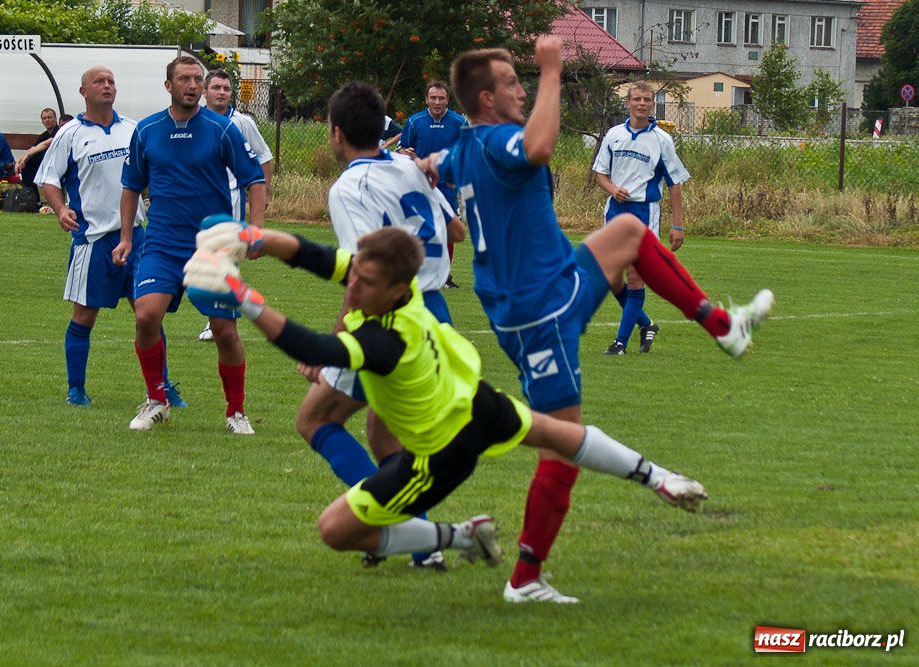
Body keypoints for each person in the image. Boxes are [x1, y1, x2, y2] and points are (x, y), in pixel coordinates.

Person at [415, 36, 773, 603]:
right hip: (538, 312)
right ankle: (526, 580)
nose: (522, 87)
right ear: (485, 98)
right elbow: (536, 146)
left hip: (546, 288)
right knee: (564, 442)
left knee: (630, 232)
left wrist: (424, 164)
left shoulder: (463, 146)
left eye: (524, 79)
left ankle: (724, 327)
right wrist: (553, 69)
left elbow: (437, 165)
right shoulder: (501, 138)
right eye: (511, 82)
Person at [183, 225, 711, 596]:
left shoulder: (386, 339)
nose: (351, 286)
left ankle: (459, 536)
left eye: (363, 284)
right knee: (555, 433)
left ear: (392, 290)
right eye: (354, 276)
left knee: (335, 531)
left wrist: (242, 295)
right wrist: (254, 239)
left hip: (442, 451)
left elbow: (316, 351)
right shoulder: (397, 284)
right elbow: (319, 257)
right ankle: (659, 478)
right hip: (474, 400)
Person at [294, 81, 465, 570]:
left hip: (393, 319)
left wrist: (331, 343)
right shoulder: (411, 168)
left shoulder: (350, 187)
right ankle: (424, 546)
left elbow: (364, 274)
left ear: (335, 133)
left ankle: (402, 530)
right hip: (436, 314)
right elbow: (455, 230)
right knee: (386, 438)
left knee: (315, 421)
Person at [113, 55, 265, 434]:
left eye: (198, 79)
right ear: (169, 86)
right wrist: (127, 238)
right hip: (162, 243)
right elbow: (131, 186)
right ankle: (157, 400)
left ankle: (236, 412)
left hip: (211, 246)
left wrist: (256, 229)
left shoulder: (222, 128)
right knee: (146, 316)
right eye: (185, 79)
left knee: (225, 331)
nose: (193, 85)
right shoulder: (147, 130)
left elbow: (255, 180)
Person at [35, 66, 185, 409]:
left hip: (138, 239)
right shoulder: (69, 133)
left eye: (111, 82)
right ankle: (76, 389)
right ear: (83, 91)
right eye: (99, 82)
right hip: (93, 240)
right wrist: (60, 209)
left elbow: (152, 174)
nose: (107, 86)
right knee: (84, 316)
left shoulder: (134, 129)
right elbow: (49, 178)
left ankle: (161, 387)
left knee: (148, 314)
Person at [593, 81, 689, 355]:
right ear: (628, 103)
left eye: (648, 99)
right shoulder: (613, 135)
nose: (642, 104)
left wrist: (677, 225)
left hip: (644, 214)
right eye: (637, 99)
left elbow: (675, 183)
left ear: (652, 104)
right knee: (610, 277)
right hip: (614, 212)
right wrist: (613, 189)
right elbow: (600, 173)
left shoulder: (662, 140)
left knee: (635, 277)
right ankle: (646, 324)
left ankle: (619, 343)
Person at [197, 69, 275, 343]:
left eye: (226, 88)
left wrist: (263, 194)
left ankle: (218, 319)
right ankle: (222, 313)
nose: (221, 93)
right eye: (216, 87)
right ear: (205, 92)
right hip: (196, 201)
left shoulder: (241, 123)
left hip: (230, 198)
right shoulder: (194, 122)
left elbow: (264, 157)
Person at [398, 81, 468, 288]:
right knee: (415, 227)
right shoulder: (414, 121)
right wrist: (403, 152)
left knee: (448, 228)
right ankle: (414, 271)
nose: (437, 102)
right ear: (426, 99)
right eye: (433, 98)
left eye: (441, 98)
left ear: (447, 100)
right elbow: (403, 149)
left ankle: (444, 276)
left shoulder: (458, 122)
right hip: (418, 184)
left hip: (446, 185)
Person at [15, 108, 59, 204]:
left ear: (56, 119)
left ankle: (36, 201)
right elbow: (33, 148)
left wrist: (26, 157)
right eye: (44, 118)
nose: (47, 120)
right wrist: (20, 161)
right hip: (47, 164)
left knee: (32, 160)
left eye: (50, 117)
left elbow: (45, 144)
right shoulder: (44, 134)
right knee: (27, 166)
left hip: (58, 163)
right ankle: (32, 200)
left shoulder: (59, 131)